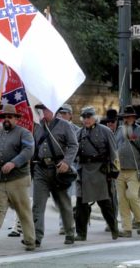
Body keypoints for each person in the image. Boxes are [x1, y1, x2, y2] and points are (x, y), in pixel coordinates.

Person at [0, 104, 36, 252]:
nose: (6, 119)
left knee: (23, 211)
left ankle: (30, 241)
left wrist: (14, 163)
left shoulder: (24, 133)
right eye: (4, 117)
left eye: (10, 117)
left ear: (16, 119)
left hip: (18, 179)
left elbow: (29, 150)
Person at [31, 103, 78, 247]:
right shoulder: (38, 126)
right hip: (40, 168)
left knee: (64, 203)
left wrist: (66, 162)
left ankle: (70, 232)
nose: (43, 112)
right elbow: (33, 147)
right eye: (42, 109)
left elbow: (73, 145)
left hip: (58, 169)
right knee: (38, 205)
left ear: (54, 110)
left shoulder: (64, 125)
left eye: (46, 109)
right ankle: (36, 237)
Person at [74, 106, 120, 241]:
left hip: (100, 171)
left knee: (105, 203)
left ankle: (113, 227)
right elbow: (73, 151)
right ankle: (81, 233)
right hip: (83, 171)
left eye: (89, 117)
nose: (87, 120)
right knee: (80, 203)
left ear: (95, 118)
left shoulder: (105, 131)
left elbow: (113, 152)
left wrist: (115, 170)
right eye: (84, 117)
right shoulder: (79, 133)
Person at [115, 105, 140, 238]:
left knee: (132, 195)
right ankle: (127, 229)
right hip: (120, 170)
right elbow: (115, 148)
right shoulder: (119, 130)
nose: (127, 119)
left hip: (135, 171)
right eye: (125, 117)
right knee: (122, 200)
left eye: (129, 116)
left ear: (134, 117)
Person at [56, 104, 79, 235]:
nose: (62, 116)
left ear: (70, 115)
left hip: (72, 167)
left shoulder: (77, 130)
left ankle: (66, 224)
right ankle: (64, 224)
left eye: (65, 113)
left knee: (67, 196)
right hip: (58, 166)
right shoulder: (55, 128)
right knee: (61, 197)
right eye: (60, 113)